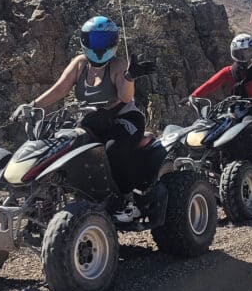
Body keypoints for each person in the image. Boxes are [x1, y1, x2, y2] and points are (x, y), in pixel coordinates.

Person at [13, 15, 155, 221]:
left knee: (113, 149)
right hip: (93, 119)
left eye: (104, 41)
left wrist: (129, 77)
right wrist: (32, 105)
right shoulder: (80, 64)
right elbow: (59, 89)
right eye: (94, 40)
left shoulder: (118, 64)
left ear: (113, 42)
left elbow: (126, 97)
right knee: (64, 144)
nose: (99, 46)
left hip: (125, 118)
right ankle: (51, 200)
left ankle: (127, 202)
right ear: (85, 40)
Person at [191, 33, 252, 160]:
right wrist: (193, 96)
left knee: (248, 126)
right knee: (212, 127)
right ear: (234, 53)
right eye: (239, 53)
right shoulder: (229, 71)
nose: (244, 56)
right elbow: (210, 84)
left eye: (247, 52)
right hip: (231, 110)